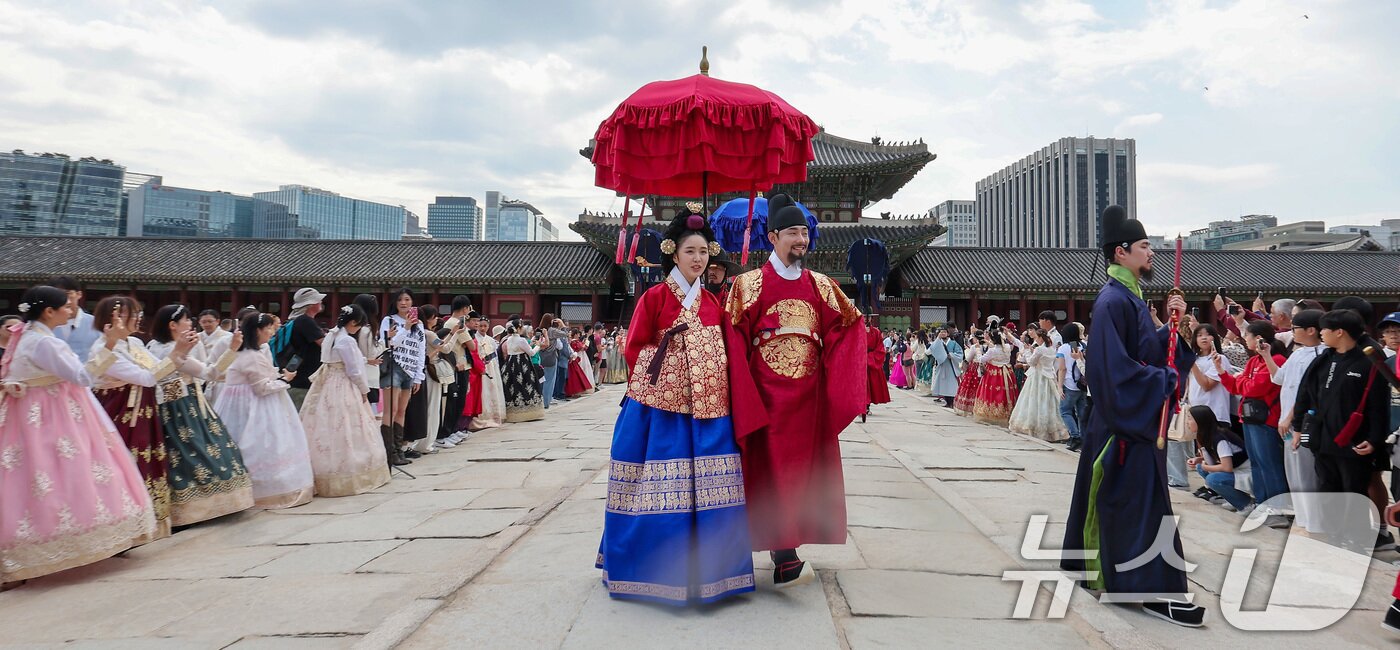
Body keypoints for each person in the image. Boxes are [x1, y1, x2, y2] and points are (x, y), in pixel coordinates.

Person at [597, 207, 755, 605]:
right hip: (660, 410)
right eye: (690, 251)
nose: (698, 259)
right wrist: (675, 364)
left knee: (713, 487)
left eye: (703, 252)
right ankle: (651, 569)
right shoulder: (653, 297)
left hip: (709, 409)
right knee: (656, 486)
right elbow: (635, 348)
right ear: (674, 253)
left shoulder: (713, 303)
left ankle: (713, 574)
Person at [1061, 205, 1204, 627]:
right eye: (1144, 245)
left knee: (1133, 504)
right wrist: (1162, 381)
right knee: (1142, 507)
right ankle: (1155, 590)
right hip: (1123, 424)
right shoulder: (1112, 300)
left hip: (1132, 419)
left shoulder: (1131, 297)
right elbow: (1111, 370)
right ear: (1121, 252)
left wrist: (1173, 330)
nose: (1151, 252)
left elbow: (1143, 353)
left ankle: (1123, 578)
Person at [724, 193, 867, 587]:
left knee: (801, 474)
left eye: (804, 232)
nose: (801, 239)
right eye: (792, 232)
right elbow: (733, 340)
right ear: (772, 237)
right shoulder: (747, 285)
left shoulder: (821, 285)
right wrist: (742, 394)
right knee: (768, 473)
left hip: (809, 399)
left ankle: (786, 548)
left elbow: (850, 326)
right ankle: (776, 550)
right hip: (765, 396)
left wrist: (842, 378)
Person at [0, 287, 158, 585]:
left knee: (32, 476)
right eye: (66, 306)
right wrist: (109, 345)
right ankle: (72, 540)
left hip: (29, 414)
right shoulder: (46, 343)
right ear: (49, 312)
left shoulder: (25, 336)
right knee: (69, 471)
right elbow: (83, 377)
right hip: (54, 413)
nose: (71, 310)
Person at [90, 296, 199, 543]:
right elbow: (147, 377)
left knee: (149, 462)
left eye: (137, 313)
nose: (138, 318)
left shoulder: (136, 343)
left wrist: (180, 352)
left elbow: (158, 371)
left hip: (143, 411)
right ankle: (123, 526)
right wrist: (177, 352)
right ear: (113, 319)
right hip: (119, 413)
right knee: (124, 465)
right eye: (131, 314)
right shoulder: (103, 350)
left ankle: (148, 522)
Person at [145, 304, 255, 525]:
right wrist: (232, 349)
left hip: (173, 406)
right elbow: (209, 373)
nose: (191, 323)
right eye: (186, 320)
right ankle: (198, 505)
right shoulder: (172, 351)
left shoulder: (155, 347)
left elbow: (206, 372)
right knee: (195, 451)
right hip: (182, 408)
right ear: (173, 325)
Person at [1295, 309, 1391, 550]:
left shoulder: (1368, 361)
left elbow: (1379, 405)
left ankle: (1357, 540)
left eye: (1325, 329)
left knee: (1354, 491)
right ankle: (1334, 537)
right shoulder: (1323, 359)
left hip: (1354, 441)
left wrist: (1375, 439)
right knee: (1327, 489)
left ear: (1340, 332)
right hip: (1322, 438)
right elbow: (1304, 394)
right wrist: (1298, 426)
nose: (1321, 333)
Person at [216, 312, 315, 509]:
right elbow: (262, 388)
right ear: (257, 331)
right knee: (262, 444)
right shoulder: (252, 356)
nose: (272, 332)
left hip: (245, 404)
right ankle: (267, 490)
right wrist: (285, 380)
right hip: (255, 406)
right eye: (268, 328)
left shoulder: (250, 353)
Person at [299, 304, 390, 496]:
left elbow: (338, 359)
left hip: (327, 383)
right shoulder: (347, 340)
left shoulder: (331, 335)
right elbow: (354, 369)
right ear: (354, 322)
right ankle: (351, 472)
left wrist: (364, 360)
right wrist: (364, 389)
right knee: (349, 425)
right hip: (343, 383)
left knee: (324, 425)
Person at [1215, 320, 1289, 528]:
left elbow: (1255, 388)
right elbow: (1236, 386)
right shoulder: (1254, 361)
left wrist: (1242, 380)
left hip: (1266, 419)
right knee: (1257, 463)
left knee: (1269, 464)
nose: (1244, 338)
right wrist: (1222, 372)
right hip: (1249, 417)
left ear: (1258, 338)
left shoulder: (1276, 359)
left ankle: (1279, 509)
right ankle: (1263, 503)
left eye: (1246, 335)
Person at [1274, 309, 1326, 532]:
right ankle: (1303, 519)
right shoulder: (1297, 354)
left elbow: (1307, 393)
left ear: (1311, 330)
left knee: (1308, 474)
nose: (1292, 331)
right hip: (1287, 422)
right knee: (1294, 474)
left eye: (1295, 328)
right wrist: (1266, 355)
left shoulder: (1322, 355)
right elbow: (1279, 378)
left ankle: (1316, 522)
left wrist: (1290, 417)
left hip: (1303, 422)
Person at [379, 288, 425, 467]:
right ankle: (388, 452)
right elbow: (388, 344)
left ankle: (398, 450)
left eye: (407, 299)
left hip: (410, 369)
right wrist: (405, 328)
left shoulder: (419, 325)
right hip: (394, 367)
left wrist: (418, 376)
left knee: (402, 411)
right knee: (391, 409)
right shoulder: (389, 320)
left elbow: (420, 350)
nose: (403, 303)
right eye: (400, 300)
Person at [1185, 405, 1253, 513]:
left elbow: (1227, 467)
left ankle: (1246, 504)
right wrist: (1199, 460)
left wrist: (1206, 467)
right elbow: (1217, 458)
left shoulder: (1219, 438)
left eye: (1189, 418)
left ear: (1200, 421)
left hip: (1247, 473)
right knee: (1200, 467)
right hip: (1236, 470)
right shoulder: (1207, 435)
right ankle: (1233, 499)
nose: (1187, 422)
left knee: (1213, 479)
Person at [1009, 327, 1067, 441]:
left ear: (1040, 338)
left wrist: (1027, 351)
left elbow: (1031, 362)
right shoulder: (1051, 349)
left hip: (1037, 376)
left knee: (1033, 401)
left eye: (1037, 337)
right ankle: (1053, 429)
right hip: (1049, 376)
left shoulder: (1040, 349)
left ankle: (1034, 427)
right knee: (1049, 402)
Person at [285, 288, 327, 410]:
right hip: (304, 378)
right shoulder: (305, 321)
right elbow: (324, 344)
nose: (320, 302)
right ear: (311, 304)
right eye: (318, 300)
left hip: (299, 374)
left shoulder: (297, 320)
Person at [47, 276, 101, 364]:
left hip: (87, 370)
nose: (63, 299)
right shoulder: (45, 324)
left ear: (79, 294)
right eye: (57, 294)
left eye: (67, 293)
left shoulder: (96, 323)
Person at [973, 329, 1019, 427]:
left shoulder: (992, 350)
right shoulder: (1007, 347)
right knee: (1006, 393)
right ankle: (1007, 413)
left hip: (994, 373)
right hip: (1007, 372)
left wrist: (977, 350)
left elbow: (981, 359)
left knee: (993, 393)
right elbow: (999, 348)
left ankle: (991, 415)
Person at [501, 324, 545, 422]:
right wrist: (538, 345)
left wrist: (531, 343)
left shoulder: (509, 339)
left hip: (510, 364)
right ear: (518, 329)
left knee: (513, 386)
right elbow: (531, 353)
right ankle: (529, 413)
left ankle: (513, 413)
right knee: (527, 385)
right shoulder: (521, 340)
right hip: (522, 364)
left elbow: (519, 349)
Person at [1057, 322, 1089, 452]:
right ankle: (1084, 438)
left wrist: (1059, 386)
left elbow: (1062, 368)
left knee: (1065, 411)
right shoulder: (1083, 345)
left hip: (1069, 384)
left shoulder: (1063, 348)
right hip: (1082, 384)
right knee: (1081, 413)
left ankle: (1075, 436)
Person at [470, 321, 507, 431]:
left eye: (485, 326)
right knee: (483, 390)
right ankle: (483, 416)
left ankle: (494, 415)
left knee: (493, 389)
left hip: (491, 366)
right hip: (480, 367)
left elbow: (496, 355)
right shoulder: (474, 338)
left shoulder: (491, 340)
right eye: (481, 326)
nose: (483, 328)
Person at [864, 316, 891, 422]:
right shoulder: (856, 330)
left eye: (867, 317)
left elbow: (880, 348)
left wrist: (870, 358)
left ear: (871, 318)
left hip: (870, 361)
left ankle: (866, 406)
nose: (865, 319)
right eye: (863, 316)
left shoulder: (876, 332)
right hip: (859, 361)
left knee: (870, 385)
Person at [929, 327, 963, 407]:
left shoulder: (953, 343)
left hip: (951, 365)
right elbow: (932, 348)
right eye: (941, 332)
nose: (943, 333)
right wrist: (938, 338)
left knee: (951, 385)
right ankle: (947, 401)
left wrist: (952, 355)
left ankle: (951, 402)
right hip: (942, 365)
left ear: (947, 334)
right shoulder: (938, 342)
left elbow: (960, 353)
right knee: (943, 385)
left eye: (944, 332)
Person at [953, 330, 984, 416]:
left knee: (970, 386)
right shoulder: (987, 346)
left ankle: (969, 407)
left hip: (974, 368)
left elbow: (968, 358)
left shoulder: (974, 347)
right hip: (984, 367)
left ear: (976, 338)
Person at [537, 312, 559, 408]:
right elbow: (560, 344)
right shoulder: (552, 332)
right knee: (549, 381)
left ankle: (540, 400)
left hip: (540, 358)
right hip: (551, 358)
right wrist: (561, 325)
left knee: (541, 380)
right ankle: (546, 401)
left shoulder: (538, 331)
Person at [565, 329, 594, 397]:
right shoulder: (574, 342)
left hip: (581, 356)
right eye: (578, 334)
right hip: (578, 356)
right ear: (575, 334)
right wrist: (586, 341)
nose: (579, 335)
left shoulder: (576, 341)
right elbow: (582, 348)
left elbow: (584, 347)